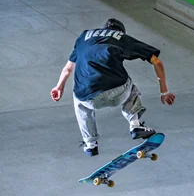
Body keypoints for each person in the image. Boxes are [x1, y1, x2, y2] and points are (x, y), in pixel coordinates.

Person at [51, 18, 175, 156]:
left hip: (88, 98)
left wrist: (59, 87)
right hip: (117, 92)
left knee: (78, 96)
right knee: (130, 85)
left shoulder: (84, 37)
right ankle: (135, 124)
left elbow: (68, 69)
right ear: (121, 31)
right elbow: (157, 62)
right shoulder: (122, 37)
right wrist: (165, 91)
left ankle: (90, 143)